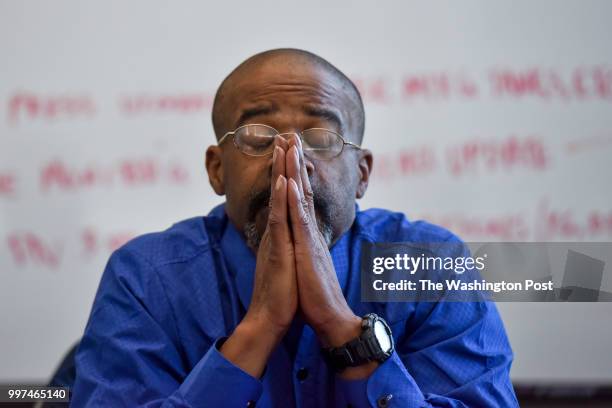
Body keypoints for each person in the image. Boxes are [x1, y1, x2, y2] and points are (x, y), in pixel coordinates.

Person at [71, 48, 518, 407]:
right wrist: (260, 327)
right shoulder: (146, 276)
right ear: (216, 170)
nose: (291, 159)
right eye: (258, 139)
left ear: (362, 174)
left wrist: (342, 328)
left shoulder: (430, 264)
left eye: (321, 139)